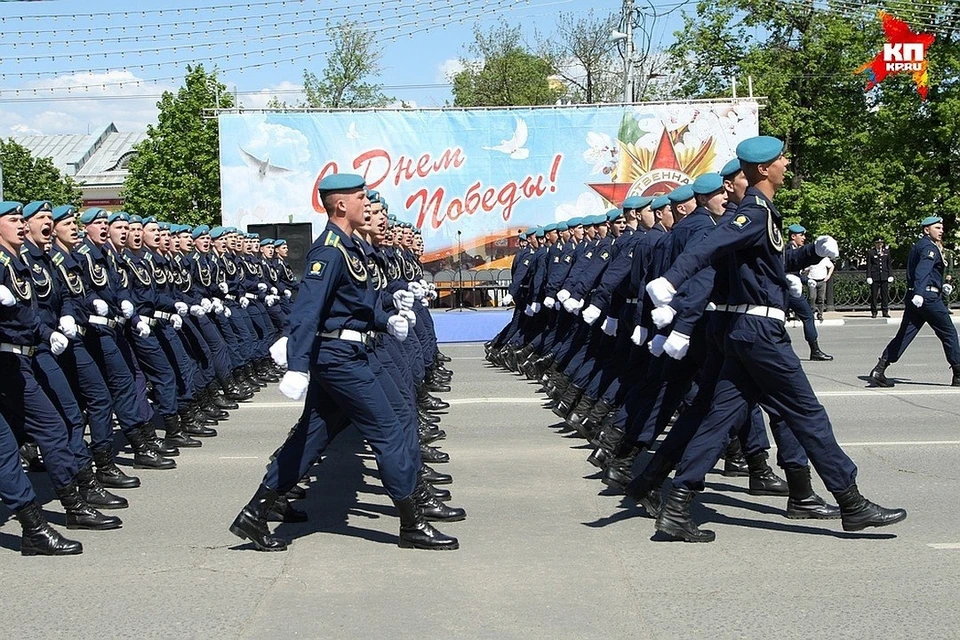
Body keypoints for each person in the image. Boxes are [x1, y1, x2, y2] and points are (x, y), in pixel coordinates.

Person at [644, 135, 906, 541]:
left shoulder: (764, 211)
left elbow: (769, 262)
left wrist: (810, 255)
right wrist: (670, 281)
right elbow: (711, 246)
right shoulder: (750, 212)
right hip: (760, 334)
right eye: (781, 158)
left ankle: (677, 504)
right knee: (807, 413)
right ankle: (851, 503)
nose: (786, 162)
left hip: (745, 333)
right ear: (763, 169)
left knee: (719, 417)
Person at [229, 173, 458, 551]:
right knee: (390, 433)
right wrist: (298, 365)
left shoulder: (349, 248)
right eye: (361, 198)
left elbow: (353, 307)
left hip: (352, 351)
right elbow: (307, 312)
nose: (366, 205)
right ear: (340, 206)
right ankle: (412, 523)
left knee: (312, 437)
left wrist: (387, 320)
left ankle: (254, 515)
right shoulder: (329, 251)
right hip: (340, 360)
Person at [869, 216, 960, 387]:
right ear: (927, 230)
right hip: (927, 298)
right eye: (937, 228)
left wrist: (941, 286)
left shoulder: (918, 246)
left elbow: (928, 273)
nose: (941, 231)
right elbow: (922, 272)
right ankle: (958, 374)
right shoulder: (929, 247)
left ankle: (880, 369)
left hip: (917, 299)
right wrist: (921, 292)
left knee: (904, 335)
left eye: (941, 228)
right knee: (949, 333)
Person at [866, 236, 893, 318]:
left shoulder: (886, 252)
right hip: (875, 276)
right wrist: (869, 276)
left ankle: (885, 311)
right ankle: (874, 311)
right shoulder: (871, 252)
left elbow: (889, 265)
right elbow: (869, 265)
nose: (879, 245)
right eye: (877, 243)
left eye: (881, 243)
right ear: (875, 244)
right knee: (874, 295)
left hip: (884, 276)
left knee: (884, 295)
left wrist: (890, 275)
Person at [805, 253, 834, 321]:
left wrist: (828, 276)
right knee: (812, 297)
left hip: (822, 280)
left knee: (821, 298)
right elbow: (806, 269)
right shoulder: (811, 258)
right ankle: (811, 313)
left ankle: (820, 314)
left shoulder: (825, 259)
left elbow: (831, 266)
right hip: (812, 280)